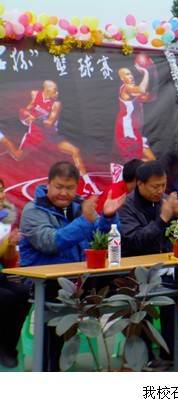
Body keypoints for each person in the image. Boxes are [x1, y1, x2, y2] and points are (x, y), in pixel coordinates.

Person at [19, 161, 124, 371]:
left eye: (69, 188)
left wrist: (108, 217)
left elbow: (102, 236)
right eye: (59, 186)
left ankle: (136, 360)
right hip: (43, 283)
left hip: (78, 279)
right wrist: (85, 221)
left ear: (76, 187)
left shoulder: (78, 207)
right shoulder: (32, 210)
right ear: (48, 184)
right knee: (55, 302)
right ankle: (50, 370)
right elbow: (50, 242)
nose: (64, 193)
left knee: (131, 287)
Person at [118, 160, 178, 364]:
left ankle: (172, 351)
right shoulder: (126, 207)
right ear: (140, 184)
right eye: (155, 186)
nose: (160, 191)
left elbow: (176, 236)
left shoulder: (164, 202)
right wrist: (163, 219)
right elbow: (135, 240)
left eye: (163, 185)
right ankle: (145, 356)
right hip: (133, 271)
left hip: (164, 268)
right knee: (140, 302)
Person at [3, 80, 101, 195]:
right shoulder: (35, 94)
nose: (57, 93)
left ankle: (88, 184)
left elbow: (50, 123)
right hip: (35, 135)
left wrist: (35, 118)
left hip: (51, 136)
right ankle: (1, 137)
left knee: (75, 151)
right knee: (18, 156)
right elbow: (27, 110)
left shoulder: (56, 104)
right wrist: (26, 116)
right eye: (54, 90)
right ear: (47, 90)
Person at [0, 178, 31, 369]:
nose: (0, 196)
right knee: (5, 298)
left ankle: (8, 346)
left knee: (24, 293)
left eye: (1, 190)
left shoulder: (5, 220)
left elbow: (8, 262)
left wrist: (10, 245)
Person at [115, 65, 156, 162]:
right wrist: (146, 72)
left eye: (131, 74)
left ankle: (134, 167)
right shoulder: (127, 88)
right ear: (122, 78)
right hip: (127, 130)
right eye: (127, 74)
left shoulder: (131, 90)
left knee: (151, 159)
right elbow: (142, 89)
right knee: (134, 160)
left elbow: (145, 95)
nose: (131, 76)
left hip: (134, 130)